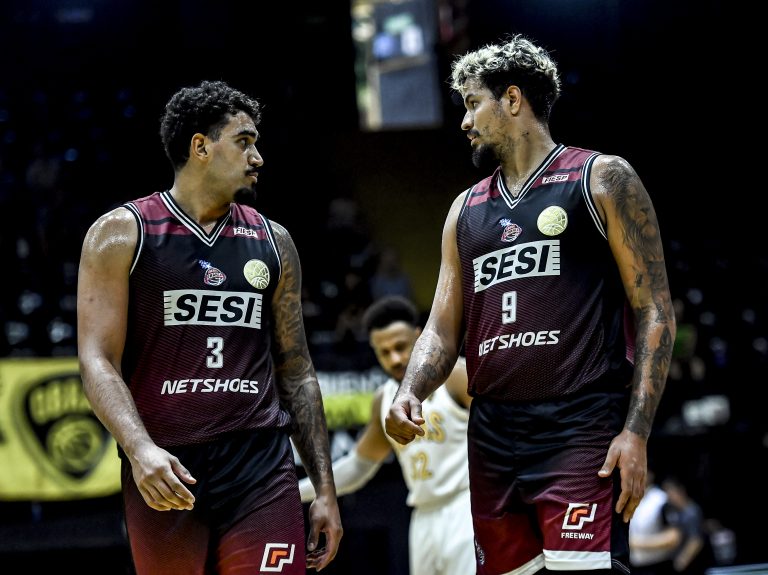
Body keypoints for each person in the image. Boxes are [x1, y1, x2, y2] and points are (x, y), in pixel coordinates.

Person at [384, 33, 676, 575]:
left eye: (473, 103)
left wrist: (636, 431)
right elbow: (441, 328)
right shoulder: (464, 210)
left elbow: (655, 309)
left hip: (581, 423)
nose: (464, 121)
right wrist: (410, 390)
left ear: (513, 99)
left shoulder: (601, 178)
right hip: (493, 435)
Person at [76, 80, 342, 574]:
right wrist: (139, 449)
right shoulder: (121, 234)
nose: (258, 157)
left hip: (260, 464)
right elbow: (97, 360)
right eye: (244, 142)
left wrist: (324, 489)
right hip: (166, 465)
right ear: (201, 146)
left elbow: (296, 370)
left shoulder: (274, 241)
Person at [298, 295, 475, 575]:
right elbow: (358, 466)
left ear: (420, 337)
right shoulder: (384, 399)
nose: (395, 359)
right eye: (384, 352)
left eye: (401, 347)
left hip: (466, 506)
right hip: (423, 516)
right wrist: (293, 492)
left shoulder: (455, 375)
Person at [629, 469, 682, 575]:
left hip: (657, 566)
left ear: (650, 475)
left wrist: (637, 543)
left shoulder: (661, 500)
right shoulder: (630, 498)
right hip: (633, 566)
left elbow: (673, 538)